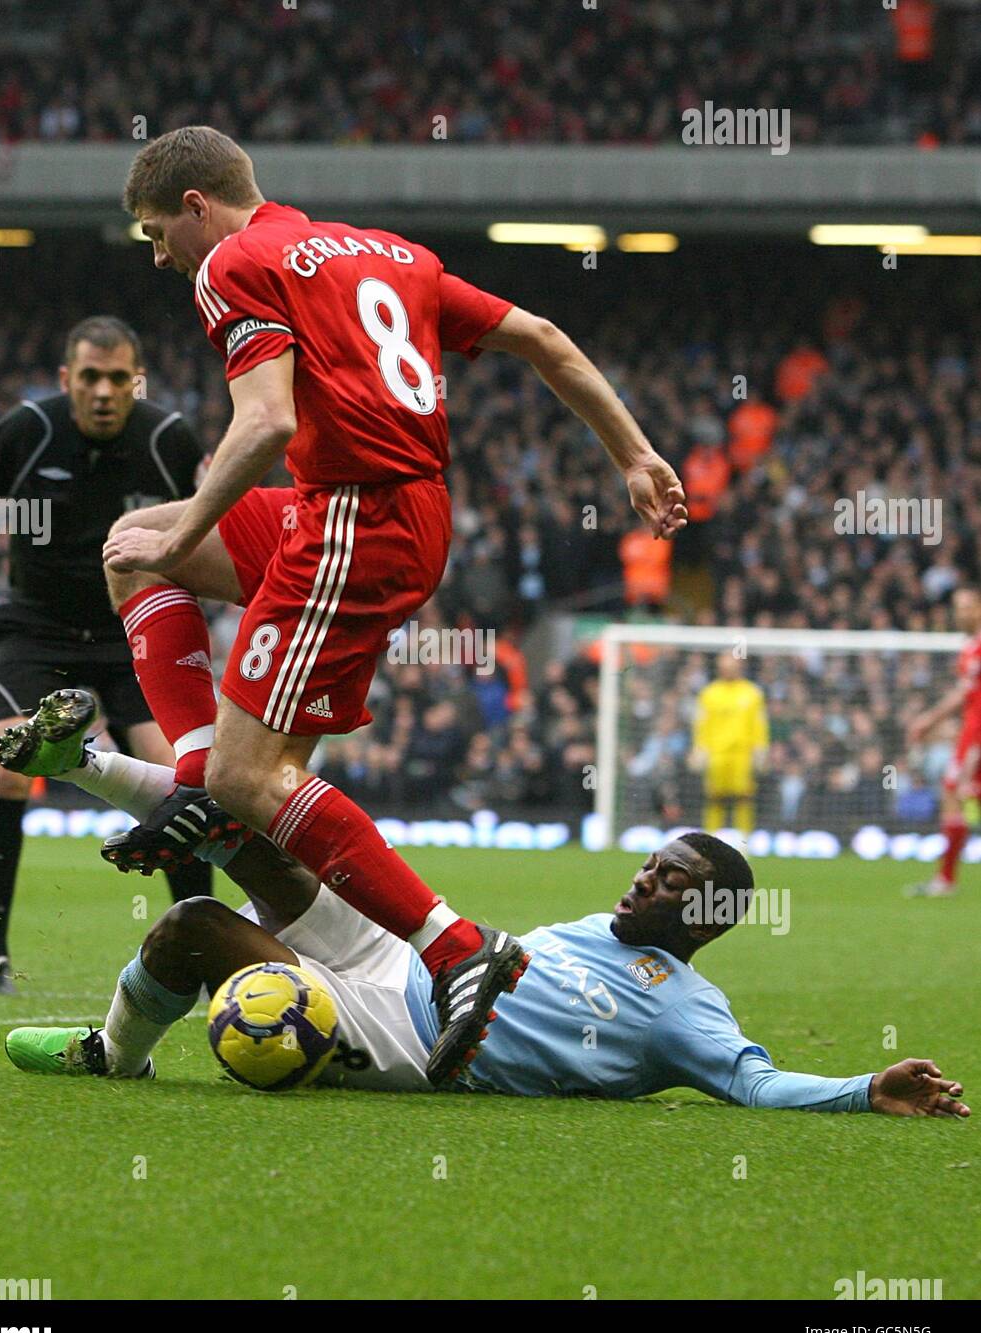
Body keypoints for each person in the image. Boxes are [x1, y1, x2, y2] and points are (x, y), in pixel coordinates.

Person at [94, 125, 687, 1084]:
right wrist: (633, 453)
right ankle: (203, 779)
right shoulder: (392, 253)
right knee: (132, 550)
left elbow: (268, 419)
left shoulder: (235, 262)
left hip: (354, 520)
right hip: (374, 512)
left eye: (158, 233)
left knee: (252, 771)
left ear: (198, 207)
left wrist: (190, 523)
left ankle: (456, 948)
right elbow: (539, 337)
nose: (159, 255)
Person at [0, 707, 967, 1117]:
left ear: (709, 918)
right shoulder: (599, 930)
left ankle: (112, 1057)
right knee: (252, 835)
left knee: (192, 926)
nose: (643, 881)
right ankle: (76, 759)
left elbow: (756, 1086)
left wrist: (859, 1087)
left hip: (409, 1042)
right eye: (650, 864)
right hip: (409, 965)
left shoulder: (683, 1011)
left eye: (671, 882)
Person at [0, 316, 213, 993]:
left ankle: (201, 952)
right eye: (90, 377)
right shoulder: (27, 430)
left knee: (184, 784)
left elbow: (218, 520)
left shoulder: (170, 442)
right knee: (7, 770)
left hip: (133, 632)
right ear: (66, 380)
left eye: (119, 378)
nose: (105, 391)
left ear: (136, 381)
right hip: (37, 631)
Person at [904, 585, 981, 897]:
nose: (959, 613)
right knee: (955, 795)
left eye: (965, 607)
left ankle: (946, 880)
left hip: (976, 736)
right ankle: (946, 879)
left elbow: (966, 696)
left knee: (955, 795)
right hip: (970, 733)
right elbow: (968, 696)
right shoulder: (969, 648)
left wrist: (930, 719)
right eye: (956, 607)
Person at [689, 652, 769, 837]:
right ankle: (710, 841)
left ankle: (743, 843)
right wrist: (699, 748)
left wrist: (761, 749)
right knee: (714, 799)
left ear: (739, 667)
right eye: (724, 667)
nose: (727, 670)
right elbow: (701, 723)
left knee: (744, 799)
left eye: (731, 667)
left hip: (742, 755)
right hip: (717, 754)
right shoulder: (709, 693)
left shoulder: (751, 693)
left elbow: (759, 724)